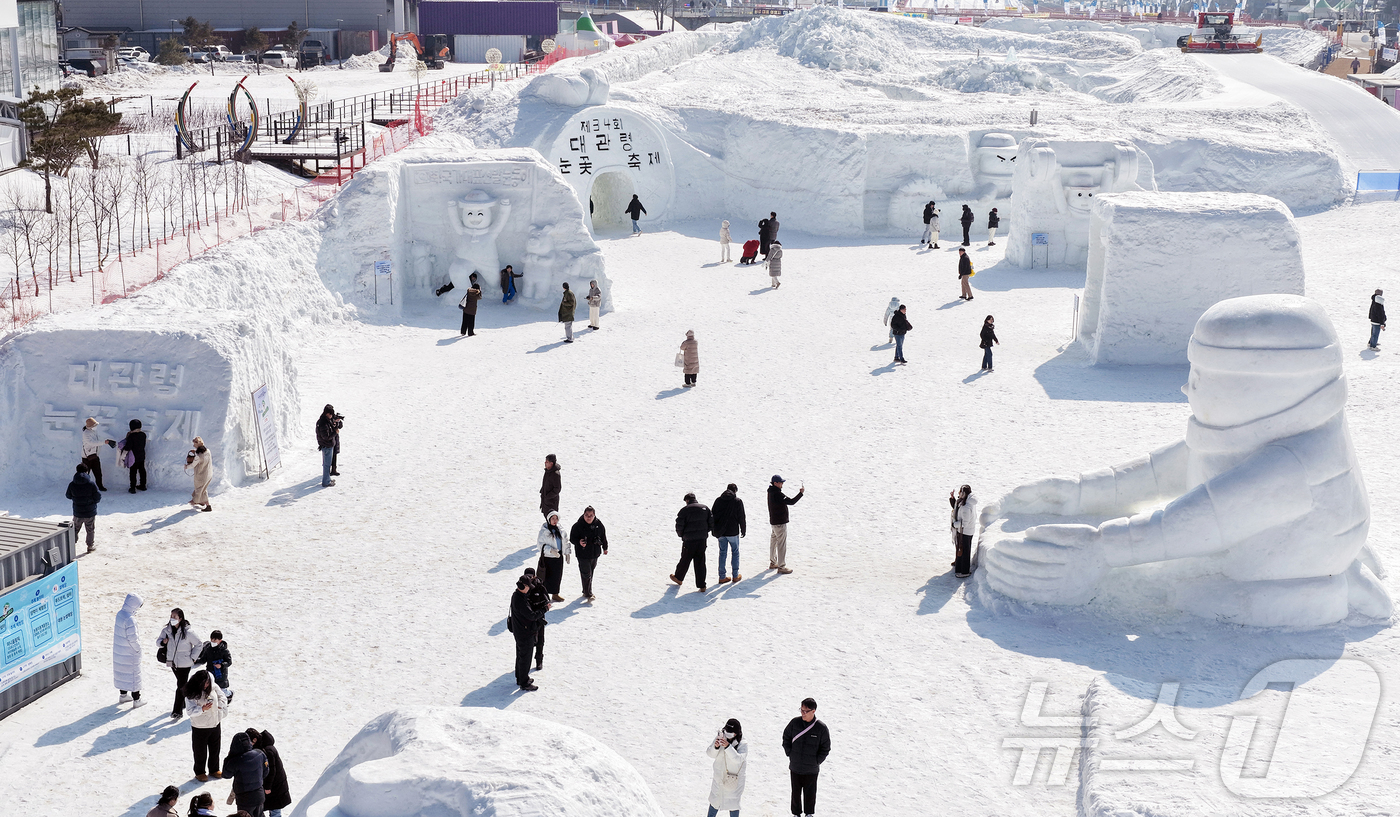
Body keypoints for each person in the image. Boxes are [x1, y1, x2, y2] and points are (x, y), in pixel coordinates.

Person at [782, 698, 831, 817]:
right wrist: (790, 754)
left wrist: (816, 761)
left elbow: (825, 748)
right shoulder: (794, 723)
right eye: (801, 710)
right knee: (795, 793)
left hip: (811, 769)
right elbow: (786, 738)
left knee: (810, 793)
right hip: (795, 765)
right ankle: (796, 814)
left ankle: (809, 814)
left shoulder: (821, 728)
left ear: (813, 711)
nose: (802, 713)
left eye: (805, 711)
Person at [158, 608, 201, 720]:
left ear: (180, 618)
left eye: (175, 617)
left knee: (180, 686)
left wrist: (193, 658)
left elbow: (199, 644)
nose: (172, 618)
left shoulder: (188, 632)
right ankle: (188, 699)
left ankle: (177, 711)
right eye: (171, 616)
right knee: (183, 685)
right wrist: (163, 642)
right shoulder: (167, 630)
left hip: (184, 664)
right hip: (172, 662)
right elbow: (158, 642)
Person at [183, 669, 227, 781]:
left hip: (215, 723)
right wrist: (202, 709)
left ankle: (214, 769)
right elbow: (190, 711)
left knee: (215, 749)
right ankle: (200, 772)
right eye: (204, 683)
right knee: (200, 751)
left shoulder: (214, 687)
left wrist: (220, 706)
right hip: (200, 727)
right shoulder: (191, 693)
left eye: (208, 683)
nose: (206, 685)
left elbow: (222, 696)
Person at [671, 492, 713, 591]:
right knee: (700, 562)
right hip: (702, 540)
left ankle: (678, 578)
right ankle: (702, 585)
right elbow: (711, 523)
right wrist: (704, 533)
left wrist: (682, 535)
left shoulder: (684, 510)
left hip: (689, 540)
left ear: (687, 500)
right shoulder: (705, 508)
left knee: (685, 559)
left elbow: (679, 525)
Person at [706, 718, 748, 817]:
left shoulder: (743, 744)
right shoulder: (721, 737)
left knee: (733, 805)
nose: (727, 734)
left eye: (730, 733)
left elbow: (738, 759)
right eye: (726, 731)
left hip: (734, 780)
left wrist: (728, 747)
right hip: (719, 778)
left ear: (736, 733)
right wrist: (715, 747)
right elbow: (710, 753)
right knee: (714, 801)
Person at [509, 578, 544, 690]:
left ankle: (520, 677)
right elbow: (531, 615)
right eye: (528, 587)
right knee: (525, 657)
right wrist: (544, 609)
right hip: (525, 633)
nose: (529, 590)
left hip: (519, 631)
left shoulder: (516, 596)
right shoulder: (520, 600)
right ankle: (524, 682)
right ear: (524, 586)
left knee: (520, 655)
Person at [222, 731, 269, 817]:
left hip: (245, 798)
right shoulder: (259, 753)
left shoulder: (235, 761)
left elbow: (226, 774)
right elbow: (266, 771)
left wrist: (228, 758)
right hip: (259, 794)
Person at [248, 729, 291, 817]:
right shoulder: (263, 747)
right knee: (272, 808)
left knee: (275, 811)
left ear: (255, 740)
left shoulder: (267, 750)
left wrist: (268, 787)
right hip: (272, 786)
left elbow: (272, 771)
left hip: (274, 787)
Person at [569, 506, 608, 601]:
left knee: (590, 572)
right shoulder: (577, 526)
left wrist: (605, 548)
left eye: (591, 515)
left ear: (594, 515)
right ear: (583, 515)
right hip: (582, 554)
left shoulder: (599, 525)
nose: (588, 517)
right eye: (587, 515)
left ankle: (586, 590)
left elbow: (603, 537)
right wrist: (579, 542)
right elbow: (572, 538)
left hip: (595, 553)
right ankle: (588, 593)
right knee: (586, 573)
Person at [114, 592, 145, 709]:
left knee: (122, 673)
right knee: (134, 675)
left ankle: (123, 695)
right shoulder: (130, 619)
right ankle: (137, 699)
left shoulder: (120, 614)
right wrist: (138, 650)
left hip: (120, 651)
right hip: (130, 652)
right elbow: (133, 639)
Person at [767, 476, 804, 574]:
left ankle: (773, 562)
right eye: (780, 482)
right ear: (775, 483)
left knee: (773, 542)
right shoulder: (777, 494)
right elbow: (791, 501)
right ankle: (781, 566)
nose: (782, 484)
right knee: (781, 544)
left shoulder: (770, 492)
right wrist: (800, 493)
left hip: (774, 522)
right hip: (780, 523)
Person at [711, 483, 746, 584]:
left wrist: (714, 529)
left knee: (722, 553)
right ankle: (735, 576)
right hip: (733, 531)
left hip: (721, 532)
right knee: (735, 552)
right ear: (735, 491)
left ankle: (722, 577)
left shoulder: (718, 500)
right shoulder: (737, 501)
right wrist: (743, 529)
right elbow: (741, 517)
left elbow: (712, 515)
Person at [66, 462, 101, 554]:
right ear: (87, 471)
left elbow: (68, 495)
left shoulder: (72, 484)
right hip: (90, 512)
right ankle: (90, 546)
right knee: (90, 530)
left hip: (78, 512)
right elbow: (98, 496)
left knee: (75, 529)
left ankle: (71, 546)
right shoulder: (91, 484)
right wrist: (93, 503)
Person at [537, 510, 570, 602]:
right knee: (546, 577)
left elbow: (565, 541)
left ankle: (555, 594)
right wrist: (550, 550)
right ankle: (544, 595)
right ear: (549, 519)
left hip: (558, 557)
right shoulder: (544, 531)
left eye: (556, 518)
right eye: (553, 518)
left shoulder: (561, 530)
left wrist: (567, 552)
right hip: (548, 558)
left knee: (557, 576)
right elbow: (540, 545)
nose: (555, 520)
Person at [522, 567, 551, 670]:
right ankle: (525, 663)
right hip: (527, 618)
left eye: (531, 576)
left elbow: (547, 600)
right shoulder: (523, 586)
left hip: (539, 617)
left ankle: (539, 660)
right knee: (528, 642)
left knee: (540, 640)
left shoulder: (540, 586)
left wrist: (542, 608)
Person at [80, 417, 116, 491]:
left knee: (98, 472)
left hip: (95, 455)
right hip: (87, 457)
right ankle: (83, 487)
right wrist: (104, 442)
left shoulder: (93, 432)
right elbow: (92, 443)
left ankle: (100, 486)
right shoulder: (86, 433)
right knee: (86, 473)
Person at [950, 484, 977, 578]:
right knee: (960, 548)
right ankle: (959, 566)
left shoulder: (966, 507)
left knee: (965, 550)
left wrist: (954, 524)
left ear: (964, 493)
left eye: (960, 492)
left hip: (965, 531)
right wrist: (953, 499)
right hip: (962, 531)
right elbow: (957, 509)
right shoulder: (964, 502)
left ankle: (964, 571)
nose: (959, 493)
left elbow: (964, 523)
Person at [205, 629, 234, 703]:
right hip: (210, 671)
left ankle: (229, 694)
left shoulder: (224, 650)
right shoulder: (208, 649)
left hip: (221, 674)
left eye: (215, 640)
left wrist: (221, 665)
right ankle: (211, 702)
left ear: (220, 641)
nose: (213, 641)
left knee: (222, 689)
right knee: (210, 688)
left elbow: (229, 661)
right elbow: (204, 658)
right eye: (212, 639)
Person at [185, 437, 213, 511]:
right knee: (202, 489)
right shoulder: (208, 451)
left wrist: (186, 467)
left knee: (200, 490)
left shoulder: (198, 456)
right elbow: (202, 455)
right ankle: (203, 503)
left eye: (194, 444)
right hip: (208, 474)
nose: (193, 445)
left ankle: (199, 502)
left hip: (201, 476)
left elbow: (193, 465)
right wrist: (196, 452)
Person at [315, 406, 340, 488]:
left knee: (326, 464)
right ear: (327, 413)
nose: (331, 416)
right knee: (327, 465)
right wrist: (335, 432)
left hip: (326, 445)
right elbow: (326, 436)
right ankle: (326, 482)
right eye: (331, 414)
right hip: (327, 446)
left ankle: (327, 479)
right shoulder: (323, 423)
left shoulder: (324, 421)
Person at [122, 419, 148, 493]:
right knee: (142, 470)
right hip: (142, 455)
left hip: (133, 457)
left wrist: (123, 453)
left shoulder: (131, 436)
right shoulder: (143, 434)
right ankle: (143, 485)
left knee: (133, 472)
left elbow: (128, 447)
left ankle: (132, 487)